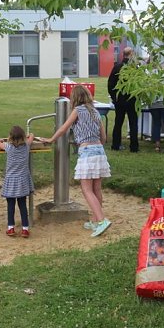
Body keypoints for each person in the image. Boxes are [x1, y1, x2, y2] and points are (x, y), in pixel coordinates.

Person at [39, 84, 112, 237]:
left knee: (86, 189)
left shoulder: (77, 111)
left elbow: (63, 128)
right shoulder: (96, 112)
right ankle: (95, 220)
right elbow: (104, 137)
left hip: (87, 152)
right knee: (97, 188)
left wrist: (51, 139)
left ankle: (102, 220)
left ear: (75, 98)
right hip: (99, 151)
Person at [0, 125, 35, 238]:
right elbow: (32, 136)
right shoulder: (26, 146)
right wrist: (28, 136)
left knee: (10, 205)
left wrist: (1, 140)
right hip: (22, 181)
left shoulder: (8, 147)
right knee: (22, 204)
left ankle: (10, 227)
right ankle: (25, 229)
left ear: (10, 137)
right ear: (23, 137)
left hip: (11, 180)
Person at [107, 46, 139, 152]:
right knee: (133, 123)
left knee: (118, 122)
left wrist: (114, 97)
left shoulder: (117, 67)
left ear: (123, 55)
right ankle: (134, 147)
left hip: (119, 100)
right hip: (132, 99)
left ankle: (115, 145)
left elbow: (110, 83)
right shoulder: (134, 68)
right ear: (131, 55)